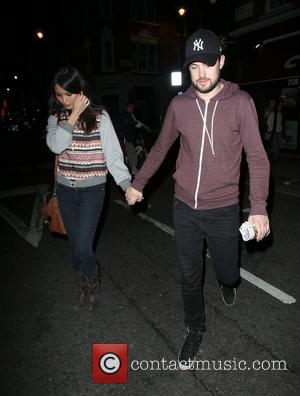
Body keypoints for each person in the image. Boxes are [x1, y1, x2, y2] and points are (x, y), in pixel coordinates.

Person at [125, 28, 270, 369]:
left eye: (208, 64)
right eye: (194, 67)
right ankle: (194, 328)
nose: (201, 73)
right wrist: (138, 182)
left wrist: (259, 208)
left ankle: (227, 280)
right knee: (190, 276)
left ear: (221, 61)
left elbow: (258, 157)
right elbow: (161, 148)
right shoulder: (179, 105)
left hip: (224, 209)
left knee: (228, 272)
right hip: (185, 207)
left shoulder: (241, 103)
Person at [46, 67, 131, 310]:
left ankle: (93, 279)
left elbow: (113, 154)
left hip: (92, 190)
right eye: (59, 96)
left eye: (67, 95)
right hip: (65, 190)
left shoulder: (100, 117)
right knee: (75, 244)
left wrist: (125, 184)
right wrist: (71, 118)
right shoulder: (56, 117)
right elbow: (56, 146)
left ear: (80, 92)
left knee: (83, 245)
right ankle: (82, 283)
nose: (63, 100)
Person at [115, 102, 146, 175]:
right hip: (126, 138)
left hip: (129, 137)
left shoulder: (130, 114)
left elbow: (135, 122)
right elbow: (132, 123)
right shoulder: (126, 115)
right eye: (130, 107)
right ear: (126, 107)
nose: (132, 108)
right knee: (132, 152)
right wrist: (139, 126)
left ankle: (131, 165)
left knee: (131, 151)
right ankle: (133, 169)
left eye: (133, 107)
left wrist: (143, 126)